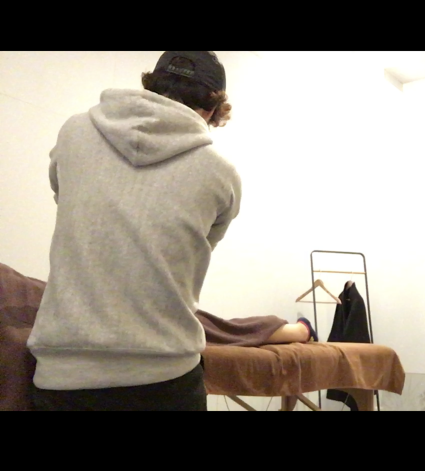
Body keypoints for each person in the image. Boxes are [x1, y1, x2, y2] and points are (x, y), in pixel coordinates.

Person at [26, 51, 316, 412]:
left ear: (151, 85)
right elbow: (196, 252)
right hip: (165, 379)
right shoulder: (221, 174)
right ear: (213, 109)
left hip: (63, 378)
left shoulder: (74, 132)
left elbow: (65, 198)